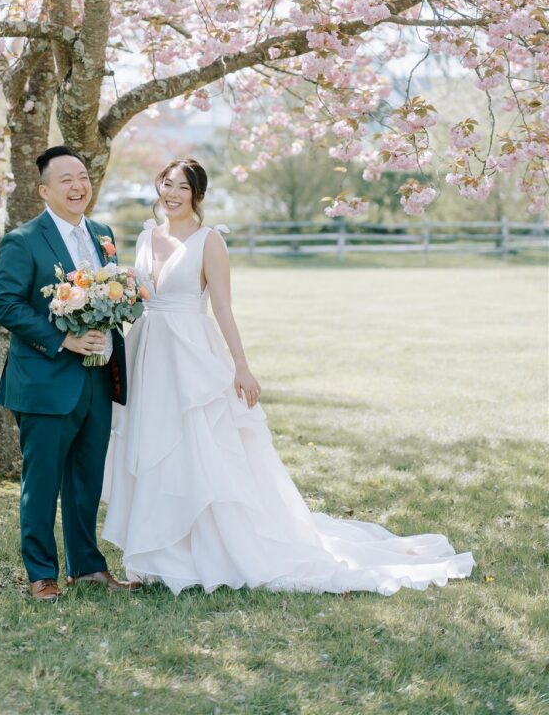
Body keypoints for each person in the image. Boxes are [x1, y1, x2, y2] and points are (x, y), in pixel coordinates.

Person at [103, 157, 474, 595]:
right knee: (154, 444)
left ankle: (203, 549)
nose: (172, 194)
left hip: (191, 357)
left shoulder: (209, 241)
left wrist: (241, 366)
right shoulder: (146, 237)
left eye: (182, 187)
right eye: (167, 184)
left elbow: (222, 307)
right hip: (148, 352)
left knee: (198, 447)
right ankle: (158, 553)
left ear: (197, 195)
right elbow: (140, 298)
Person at [0, 145, 140, 601]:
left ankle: (88, 567)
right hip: (45, 379)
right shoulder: (22, 240)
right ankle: (42, 574)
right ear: (44, 191)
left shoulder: (102, 234)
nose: (78, 187)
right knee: (41, 483)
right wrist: (64, 340)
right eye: (66, 180)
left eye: (83, 177)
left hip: (98, 376)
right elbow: (5, 305)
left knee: (87, 479)